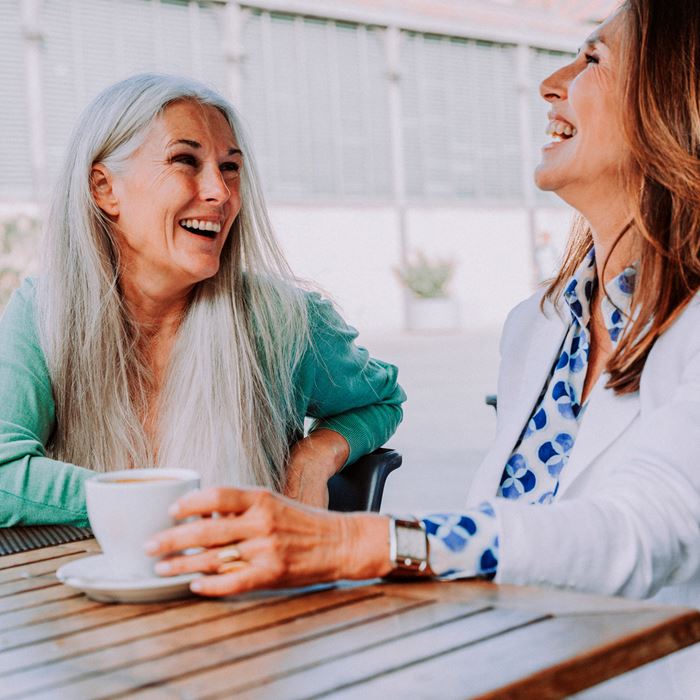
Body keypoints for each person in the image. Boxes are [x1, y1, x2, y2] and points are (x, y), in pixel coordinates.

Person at [150, 1, 699, 695]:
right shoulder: (535, 327)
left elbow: (641, 532)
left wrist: (350, 541)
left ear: (672, 103)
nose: (550, 83)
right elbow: (507, 532)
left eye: (592, 59)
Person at [0, 74, 405, 526]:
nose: (220, 192)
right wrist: (160, 507)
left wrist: (315, 456)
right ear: (104, 189)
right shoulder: (41, 315)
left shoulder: (282, 320)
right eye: (185, 160)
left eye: (230, 167)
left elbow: (381, 399)